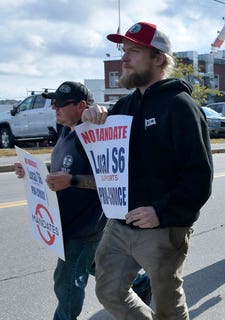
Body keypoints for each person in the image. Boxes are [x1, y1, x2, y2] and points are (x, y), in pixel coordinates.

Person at [81, 22, 213, 319]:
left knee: (167, 306)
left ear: (159, 59)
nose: (124, 58)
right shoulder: (123, 107)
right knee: (109, 291)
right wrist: (92, 120)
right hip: (119, 223)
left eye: (134, 51)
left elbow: (199, 177)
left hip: (162, 228)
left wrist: (161, 212)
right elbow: (99, 160)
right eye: (124, 51)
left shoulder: (180, 106)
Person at [14, 81, 106, 320]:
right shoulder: (66, 130)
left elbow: (109, 180)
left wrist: (72, 181)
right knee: (98, 267)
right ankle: (140, 283)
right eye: (53, 102)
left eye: (61, 104)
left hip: (84, 227)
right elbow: (63, 168)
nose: (54, 107)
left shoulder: (96, 136)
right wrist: (32, 170)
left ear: (81, 106)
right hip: (66, 221)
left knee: (66, 284)